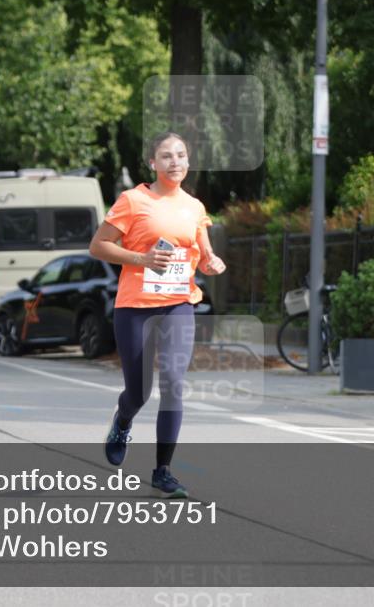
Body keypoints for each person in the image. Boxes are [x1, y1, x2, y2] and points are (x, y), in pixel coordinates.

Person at [89, 132, 226, 498]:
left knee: (173, 383)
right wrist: (141, 259)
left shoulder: (195, 207)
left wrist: (212, 263)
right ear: (153, 163)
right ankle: (122, 421)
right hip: (135, 307)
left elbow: (204, 253)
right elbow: (98, 246)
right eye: (166, 156)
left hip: (179, 304)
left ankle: (163, 470)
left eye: (181, 155)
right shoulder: (133, 200)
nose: (175, 162)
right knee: (139, 391)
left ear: (188, 160)